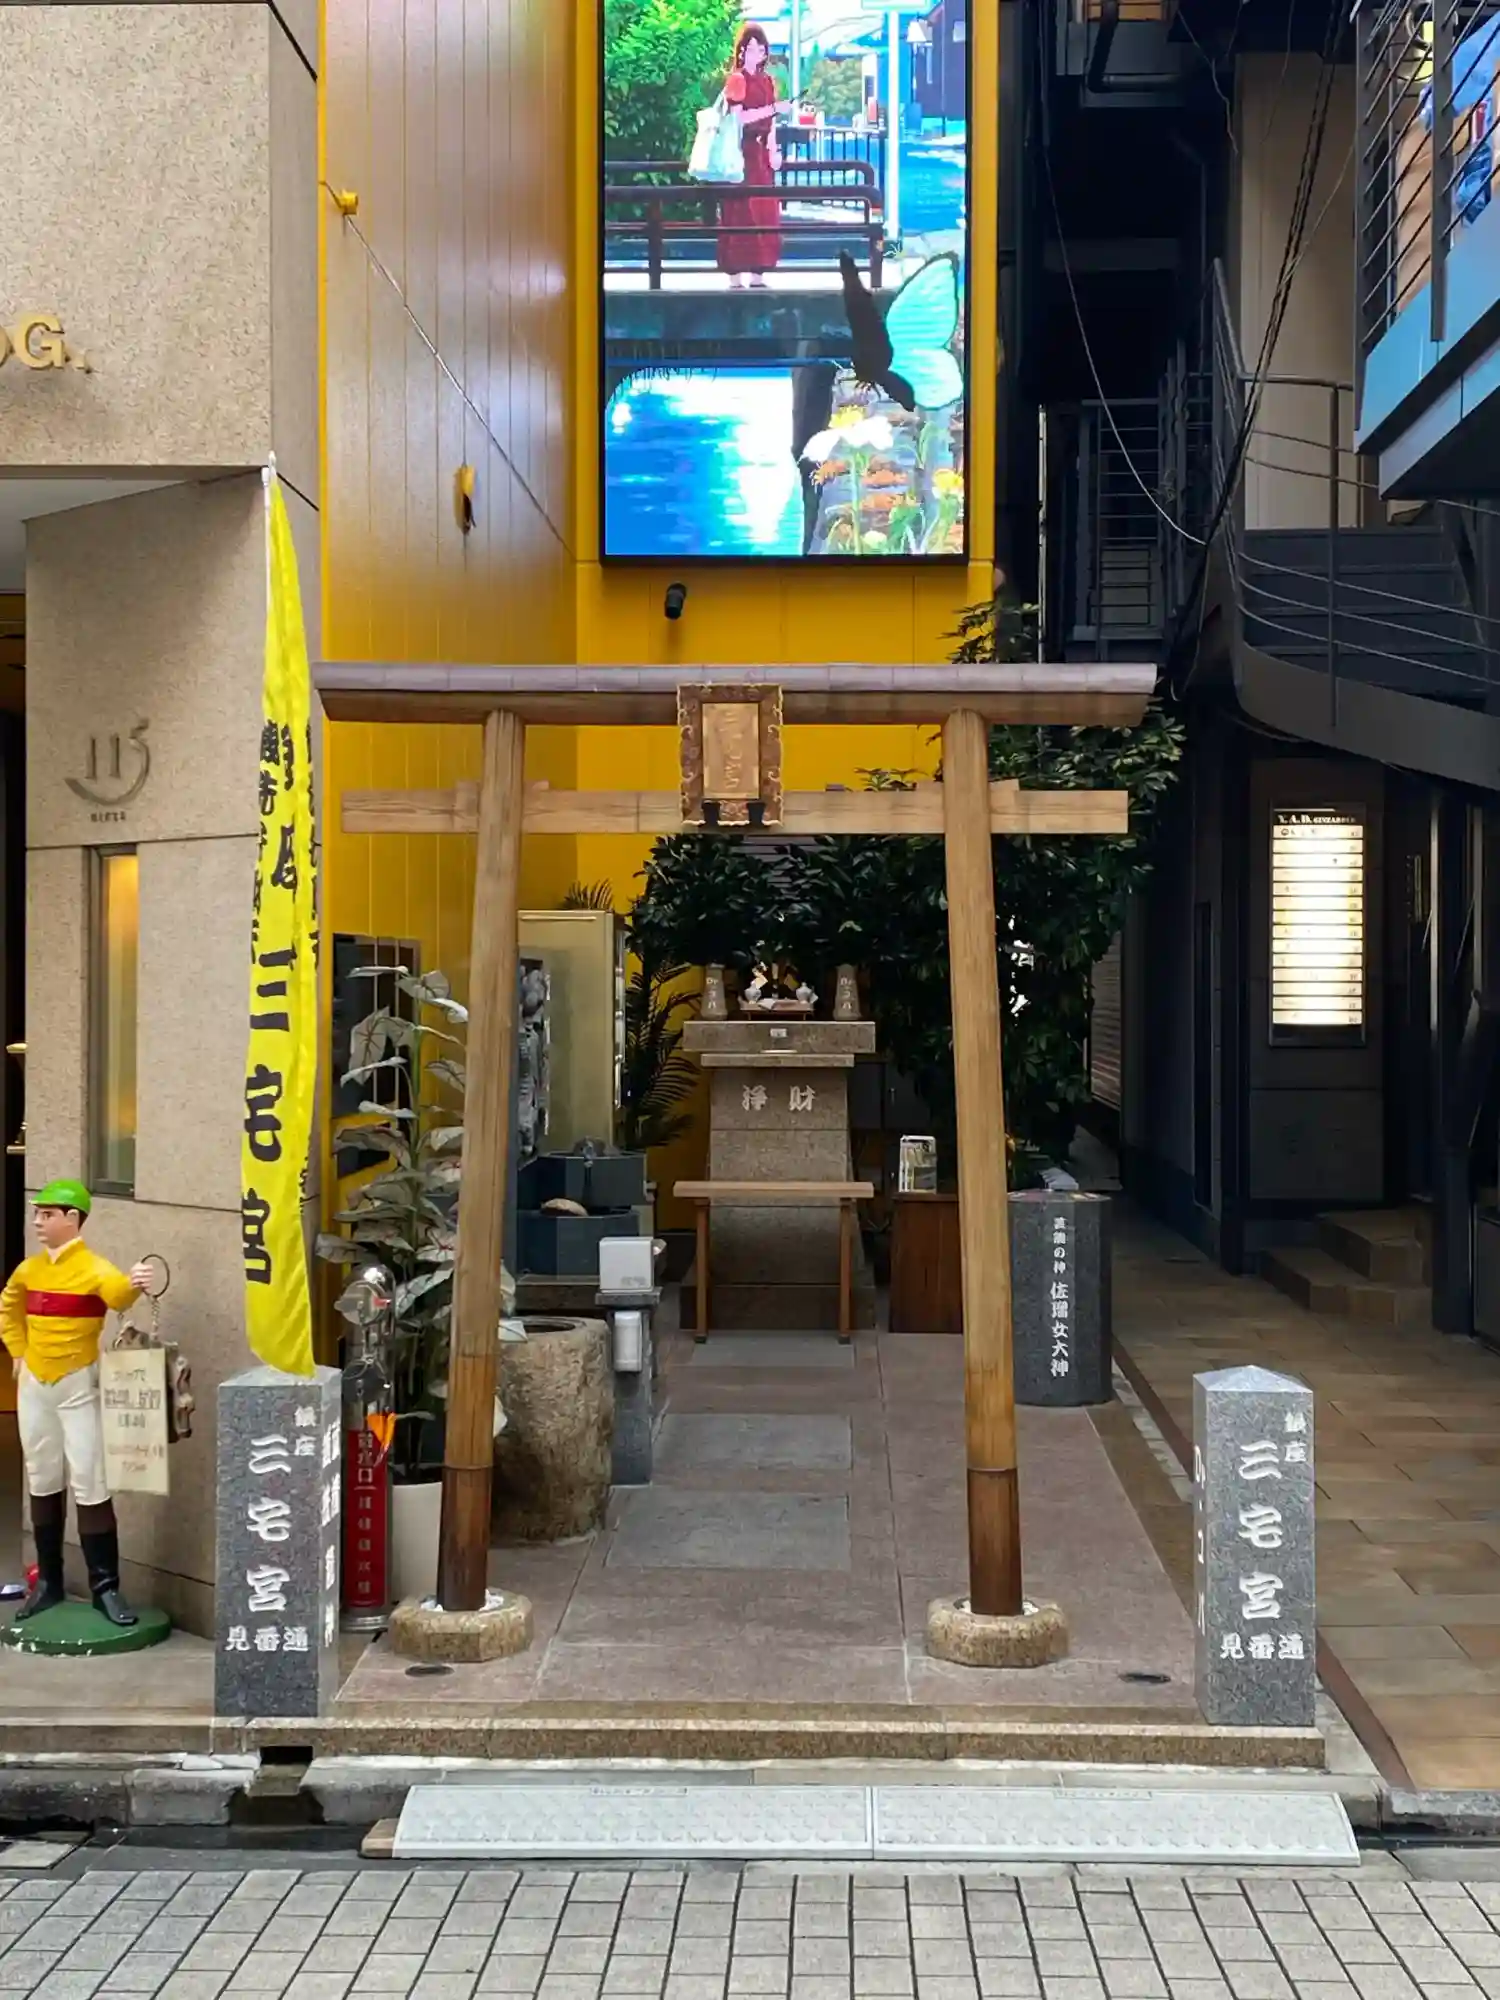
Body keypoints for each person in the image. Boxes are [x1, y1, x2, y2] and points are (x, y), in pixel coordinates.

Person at [1, 1180, 154, 1626]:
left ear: (73, 1219)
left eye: (47, 1214)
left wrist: (136, 1283)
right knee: (41, 1476)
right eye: (37, 1213)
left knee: (90, 1479)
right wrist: (18, 1352)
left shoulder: (94, 1268)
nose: (38, 1222)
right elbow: (9, 1308)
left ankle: (105, 1588)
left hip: (77, 1382)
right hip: (35, 1383)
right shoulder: (28, 1271)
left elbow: (118, 1294)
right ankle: (48, 1581)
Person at [718, 23, 786, 290]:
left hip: (760, 155)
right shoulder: (737, 80)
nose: (755, 53)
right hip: (740, 152)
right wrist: (772, 109)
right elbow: (738, 119)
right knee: (739, 212)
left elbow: (772, 123)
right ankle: (734, 275)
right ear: (741, 51)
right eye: (750, 48)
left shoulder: (767, 81)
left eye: (760, 48)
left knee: (764, 212)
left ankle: (759, 274)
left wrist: (773, 150)